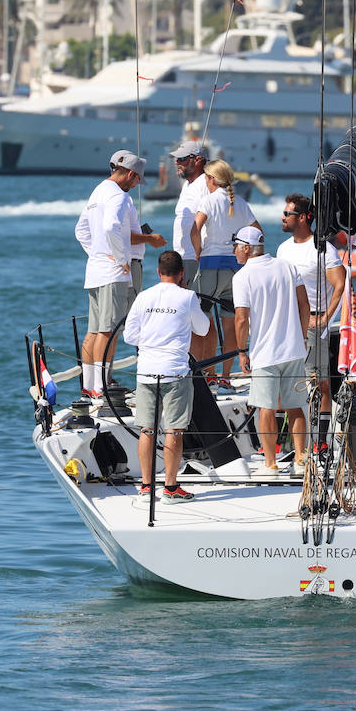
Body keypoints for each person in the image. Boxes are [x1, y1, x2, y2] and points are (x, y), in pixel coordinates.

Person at [122, 251, 211, 503]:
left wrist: (151, 340)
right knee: (174, 430)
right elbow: (203, 329)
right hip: (175, 371)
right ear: (182, 273)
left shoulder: (143, 297)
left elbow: (130, 336)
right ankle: (171, 488)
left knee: (147, 430)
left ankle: (146, 488)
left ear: (158, 272)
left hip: (146, 371)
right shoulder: (188, 296)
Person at [232, 226, 311, 479]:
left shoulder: (242, 276)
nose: (234, 251)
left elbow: (241, 320)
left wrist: (242, 351)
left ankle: (270, 463)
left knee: (266, 408)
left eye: (236, 245)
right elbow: (304, 305)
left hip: (265, 353)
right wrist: (302, 337)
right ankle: (300, 459)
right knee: (296, 407)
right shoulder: (286, 266)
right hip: (294, 349)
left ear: (246, 248)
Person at [74, 150, 144, 397]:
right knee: (108, 329)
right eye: (137, 180)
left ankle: (89, 386)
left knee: (94, 330)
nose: (136, 185)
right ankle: (102, 388)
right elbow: (112, 226)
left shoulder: (97, 191)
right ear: (131, 174)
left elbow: (80, 231)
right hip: (113, 273)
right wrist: (121, 257)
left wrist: (97, 253)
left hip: (94, 270)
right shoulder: (119, 196)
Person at [276, 192, 345, 442]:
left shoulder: (323, 248)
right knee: (287, 381)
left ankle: (320, 441)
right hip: (288, 325)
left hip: (313, 323)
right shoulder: (283, 250)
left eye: (288, 214)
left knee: (319, 384)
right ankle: (288, 441)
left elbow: (340, 283)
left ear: (304, 218)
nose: (283, 217)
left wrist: (326, 318)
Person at [191, 159, 261, 388]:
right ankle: (226, 377)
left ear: (211, 179)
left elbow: (195, 228)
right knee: (231, 325)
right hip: (236, 269)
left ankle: (202, 374)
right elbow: (257, 231)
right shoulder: (241, 203)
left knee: (201, 321)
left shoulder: (208, 201)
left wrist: (198, 250)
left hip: (211, 266)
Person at [169, 141, 209, 291]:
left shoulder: (205, 184)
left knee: (195, 307)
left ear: (197, 160)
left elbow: (207, 220)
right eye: (176, 159)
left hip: (194, 258)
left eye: (182, 159)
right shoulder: (188, 184)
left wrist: (199, 254)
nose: (177, 162)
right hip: (182, 257)